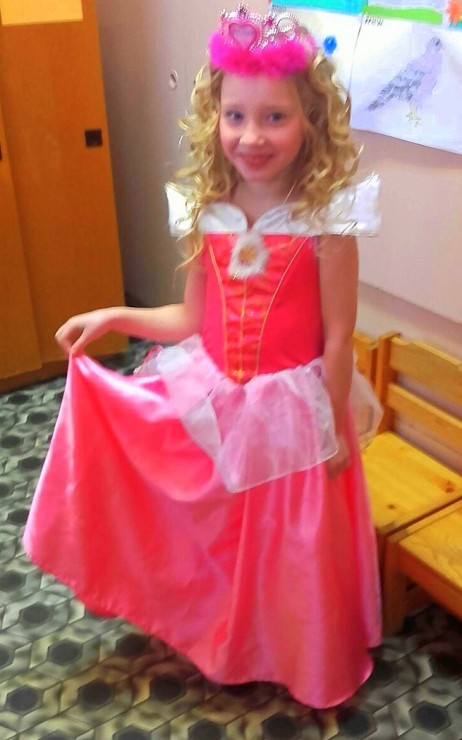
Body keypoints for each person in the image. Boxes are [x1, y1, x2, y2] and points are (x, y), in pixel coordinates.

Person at [24, 4, 383, 709]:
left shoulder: (328, 221)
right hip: (216, 395)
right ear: (213, 117)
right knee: (219, 534)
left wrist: (334, 422)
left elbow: (339, 334)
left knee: (289, 547)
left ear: (311, 119)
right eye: (236, 115)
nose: (252, 135)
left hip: (294, 412)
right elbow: (190, 317)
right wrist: (114, 315)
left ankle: (298, 652)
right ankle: (227, 638)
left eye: (275, 117)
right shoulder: (204, 208)